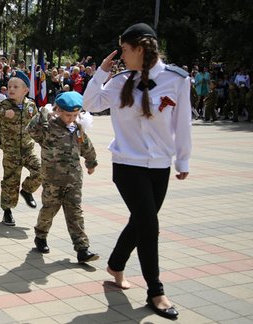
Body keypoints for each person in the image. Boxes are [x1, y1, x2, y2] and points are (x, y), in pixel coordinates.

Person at [83, 23, 191, 320]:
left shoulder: (177, 80)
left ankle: (116, 263)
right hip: (127, 164)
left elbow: (182, 123)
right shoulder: (119, 81)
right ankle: (155, 291)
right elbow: (89, 104)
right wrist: (102, 72)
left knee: (142, 220)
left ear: (141, 49)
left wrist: (183, 161)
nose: (121, 55)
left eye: (125, 49)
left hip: (159, 166)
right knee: (149, 225)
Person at [27, 91, 99, 263]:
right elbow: (31, 130)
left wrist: (91, 163)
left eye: (75, 115)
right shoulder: (48, 126)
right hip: (52, 179)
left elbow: (86, 146)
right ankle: (41, 236)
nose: (71, 118)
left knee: (75, 212)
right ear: (58, 110)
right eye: (68, 115)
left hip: (73, 179)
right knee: (49, 209)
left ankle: (82, 248)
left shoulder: (77, 128)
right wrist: (41, 114)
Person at [0, 70, 42, 226]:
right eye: (9, 86)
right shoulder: (4, 104)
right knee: (10, 183)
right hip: (11, 152)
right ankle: (7, 212)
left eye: (16, 86)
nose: (12, 89)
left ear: (26, 90)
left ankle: (27, 190)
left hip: (27, 149)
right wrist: (3, 113)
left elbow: (36, 125)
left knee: (41, 170)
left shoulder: (31, 105)